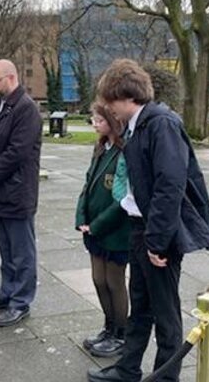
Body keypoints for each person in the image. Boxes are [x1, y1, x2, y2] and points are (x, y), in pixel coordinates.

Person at [87, 59, 209, 382]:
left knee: (166, 315)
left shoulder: (161, 124)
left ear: (125, 96)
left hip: (158, 234)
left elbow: (169, 186)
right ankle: (128, 369)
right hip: (140, 229)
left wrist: (157, 241)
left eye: (110, 102)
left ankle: (165, 377)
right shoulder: (139, 126)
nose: (109, 110)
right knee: (141, 307)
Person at [0, 59, 42, 327]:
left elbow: (17, 151)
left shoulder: (26, 109)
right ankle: (7, 292)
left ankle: (20, 301)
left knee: (22, 251)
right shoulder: (0, 104)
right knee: (6, 247)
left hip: (17, 191)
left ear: (11, 78)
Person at [75, 103, 131, 358]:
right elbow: (88, 185)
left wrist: (96, 225)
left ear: (113, 120)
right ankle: (108, 328)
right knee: (98, 280)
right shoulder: (100, 147)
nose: (95, 123)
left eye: (100, 119)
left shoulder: (124, 151)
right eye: (93, 119)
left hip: (115, 230)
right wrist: (81, 217)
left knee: (114, 282)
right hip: (94, 228)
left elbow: (123, 200)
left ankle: (121, 334)